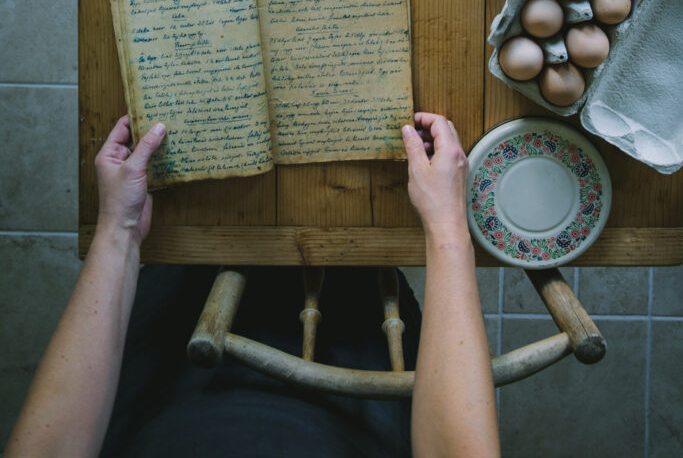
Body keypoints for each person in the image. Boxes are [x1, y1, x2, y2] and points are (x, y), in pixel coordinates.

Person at [6, 113, 500, 458]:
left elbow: (49, 448)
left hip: (173, 348)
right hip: (354, 348)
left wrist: (120, 230)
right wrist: (447, 226)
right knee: (356, 276)